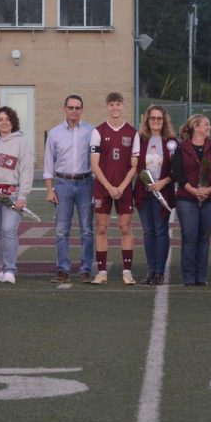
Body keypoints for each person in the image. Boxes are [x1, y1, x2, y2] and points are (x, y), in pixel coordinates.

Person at [89, 92, 139, 285]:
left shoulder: (132, 133)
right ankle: (101, 272)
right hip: (103, 188)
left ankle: (127, 271)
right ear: (107, 107)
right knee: (101, 228)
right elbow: (95, 165)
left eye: (118, 104)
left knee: (125, 228)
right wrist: (110, 187)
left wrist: (122, 186)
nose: (115, 108)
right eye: (112, 105)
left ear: (123, 106)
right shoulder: (98, 132)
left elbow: (134, 165)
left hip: (124, 188)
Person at [44, 95, 95, 283]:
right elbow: (49, 163)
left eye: (78, 107)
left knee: (87, 230)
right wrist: (50, 190)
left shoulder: (91, 132)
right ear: (64, 108)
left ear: (82, 110)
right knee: (61, 230)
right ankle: (63, 269)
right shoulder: (55, 133)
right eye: (71, 107)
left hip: (86, 183)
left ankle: (86, 269)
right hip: (63, 184)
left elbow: (96, 162)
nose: (74, 110)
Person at [0, 106, 33, 284]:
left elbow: (26, 171)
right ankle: (2, 268)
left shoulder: (21, 142)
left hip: (12, 193)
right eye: (0, 120)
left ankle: (11, 270)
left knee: (8, 230)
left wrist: (23, 196)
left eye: (7, 119)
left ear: (13, 121)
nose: (4, 122)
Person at [173, 114, 211, 286]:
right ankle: (189, 276)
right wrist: (193, 191)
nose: (210, 127)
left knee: (204, 239)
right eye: (206, 124)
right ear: (196, 127)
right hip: (187, 199)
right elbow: (177, 173)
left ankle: (202, 276)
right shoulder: (182, 148)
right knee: (190, 237)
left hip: (210, 198)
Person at [133, 105, 176, 286]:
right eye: (153, 118)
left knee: (160, 231)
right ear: (147, 120)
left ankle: (160, 272)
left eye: (159, 118)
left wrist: (163, 182)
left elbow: (177, 169)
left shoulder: (171, 141)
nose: (156, 121)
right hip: (144, 192)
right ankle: (151, 271)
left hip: (162, 192)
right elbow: (135, 165)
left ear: (164, 120)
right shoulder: (141, 139)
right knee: (148, 232)